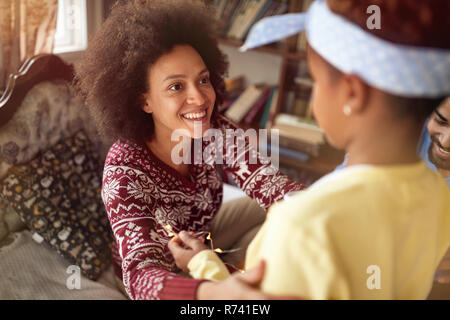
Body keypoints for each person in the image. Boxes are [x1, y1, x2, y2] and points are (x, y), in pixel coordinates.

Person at [169, 0, 450, 299]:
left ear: (352, 93)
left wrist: (202, 265)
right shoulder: (437, 196)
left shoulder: (303, 224)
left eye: (315, 80)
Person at [74, 0, 305, 300]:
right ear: (143, 101)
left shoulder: (216, 130)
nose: (199, 98)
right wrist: (211, 291)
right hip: (169, 277)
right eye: (176, 87)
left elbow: (270, 184)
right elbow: (142, 276)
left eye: (203, 80)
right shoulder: (124, 173)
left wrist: (327, 211)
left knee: (295, 211)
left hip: (205, 238)